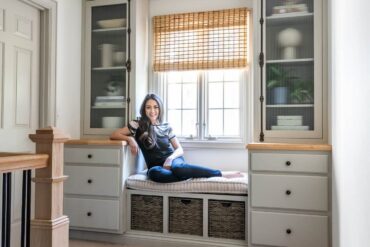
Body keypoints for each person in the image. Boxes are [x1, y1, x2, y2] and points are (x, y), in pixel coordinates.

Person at [110, 93, 240, 183]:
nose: (152, 111)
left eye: (155, 107)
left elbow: (179, 149)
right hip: (156, 166)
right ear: (144, 109)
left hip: (174, 160)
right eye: (148, 107)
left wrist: (170, 159)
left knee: (178, 168)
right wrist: (131, 139)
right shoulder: (137, 124)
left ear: (160, 109)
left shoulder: (166, 126)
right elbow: (114, 134)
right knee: (154, 174)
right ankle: (186, 175)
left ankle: (220, 173)